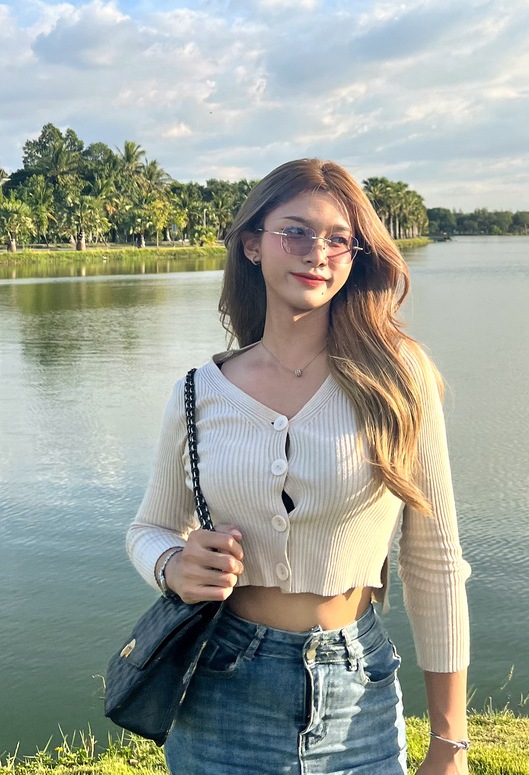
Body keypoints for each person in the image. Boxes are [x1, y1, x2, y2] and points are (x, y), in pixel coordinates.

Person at [126, 159, 471, 775]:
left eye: (338, 239)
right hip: (221, 687)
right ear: (252, 244)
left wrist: (449, 742)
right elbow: (149, 529)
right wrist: (173, 564)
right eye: (296, 232)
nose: (317, 253)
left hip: (358, 694)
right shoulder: (199, 392)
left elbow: (435, 560)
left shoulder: (398, 380)